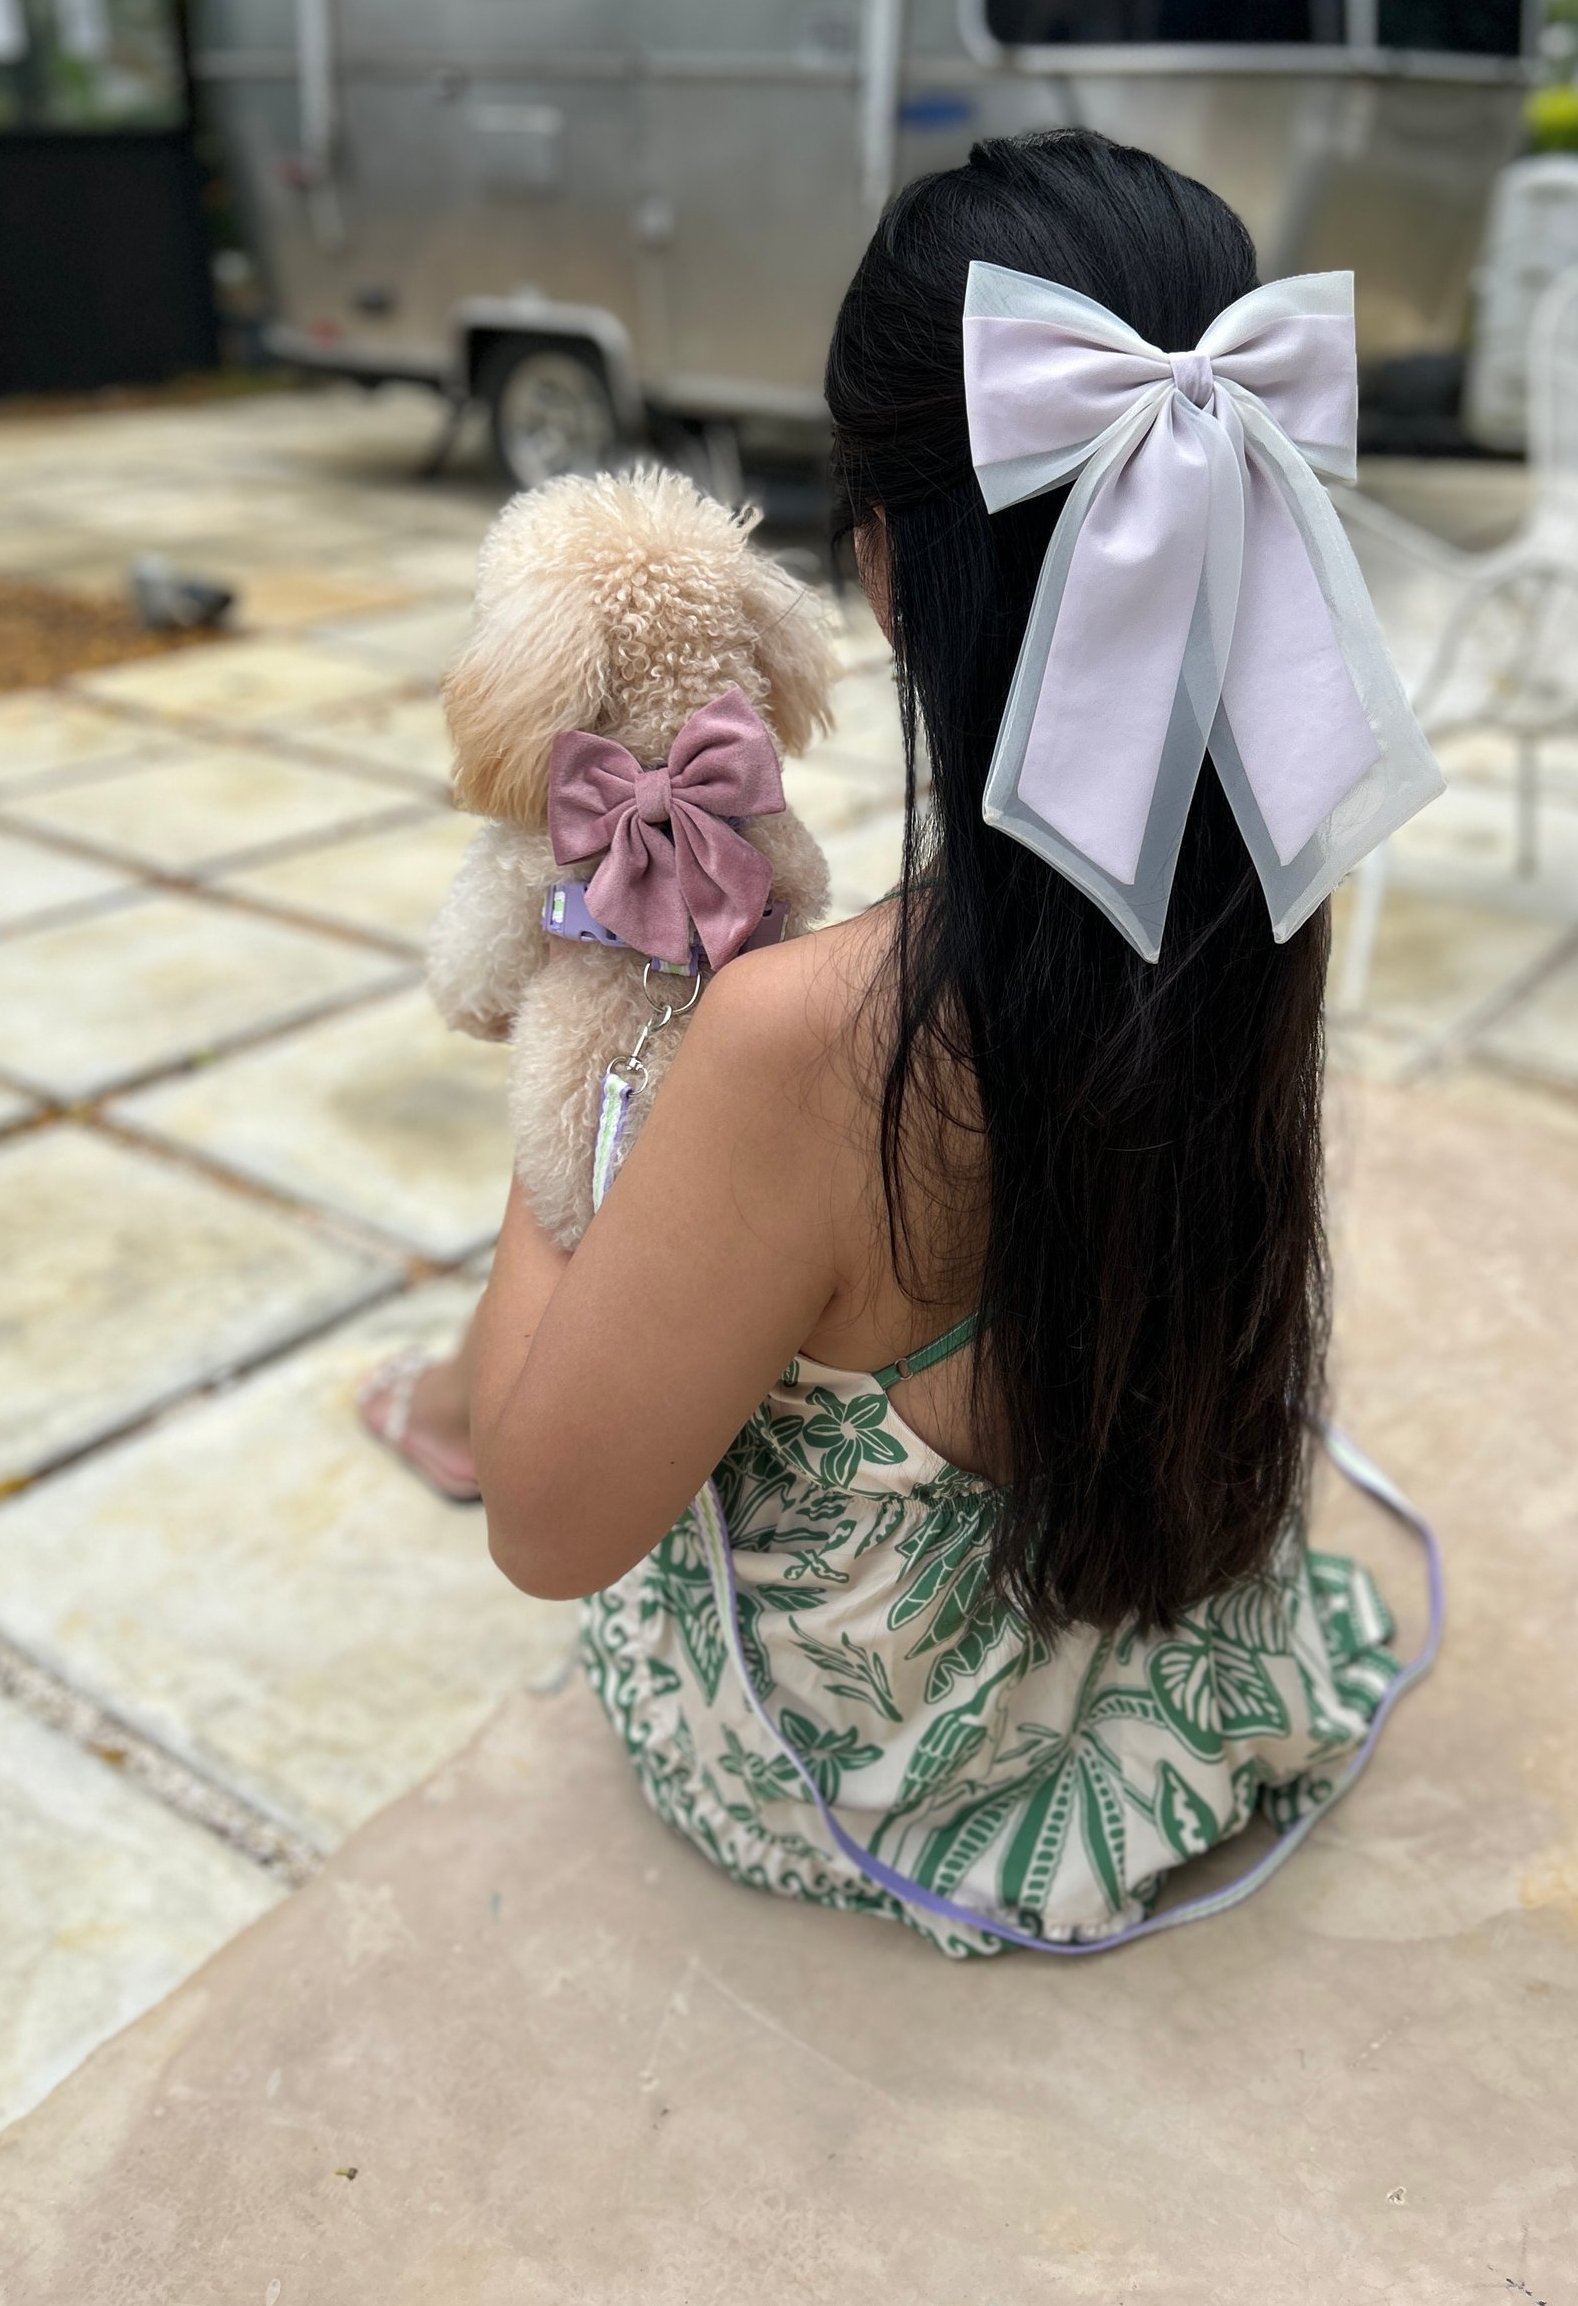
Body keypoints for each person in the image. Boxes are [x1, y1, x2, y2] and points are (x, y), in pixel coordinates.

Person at [362, 128, 1438, 1954]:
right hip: (1157, 1612)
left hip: (886, 1775)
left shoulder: (800, 1037)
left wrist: (584, 1029)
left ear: (880, 559)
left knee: (515, 1392)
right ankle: (431, 1395)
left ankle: (430, 1405)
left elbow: (550, 1528)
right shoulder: (1269, 883)